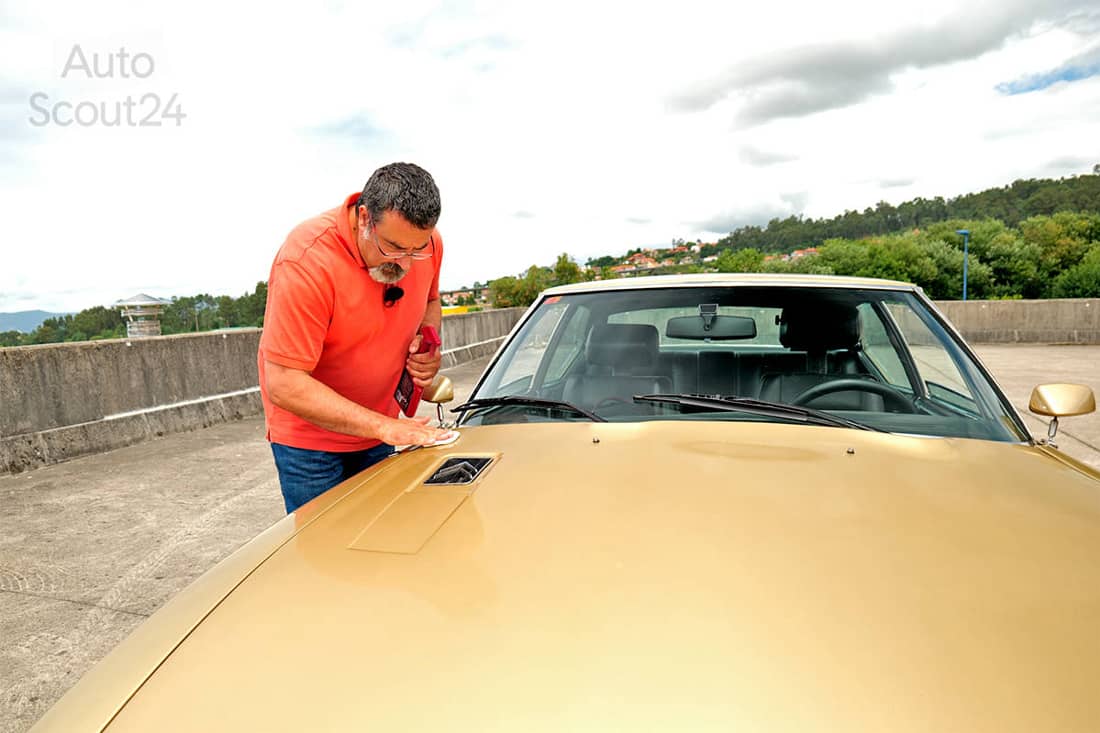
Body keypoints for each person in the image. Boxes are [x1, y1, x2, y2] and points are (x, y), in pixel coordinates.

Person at [258, 162, 452, 513]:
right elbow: (284, 383)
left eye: (416, 250)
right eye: (393, 247)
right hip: (311, 447)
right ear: (364, 218)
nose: (406, 264)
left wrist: (427, 343)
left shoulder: (427, 245)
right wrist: (386, 427)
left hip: (380, 429)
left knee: (377, 546)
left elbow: (431, 300)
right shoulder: (306, 260)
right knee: (325, 554)